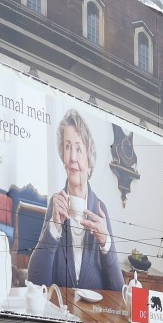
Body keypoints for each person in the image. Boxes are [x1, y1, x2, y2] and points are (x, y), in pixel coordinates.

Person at [26, 109, 123, 293]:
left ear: (89, 160)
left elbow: (118, 290)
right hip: (62, 315)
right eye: (68, 147)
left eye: (79, 148)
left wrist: (106, 243)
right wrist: (54, 227)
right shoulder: (56, 206)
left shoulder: (100, 210)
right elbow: (36, 282)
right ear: (62, 157)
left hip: (93, 319)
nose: (72, 158)